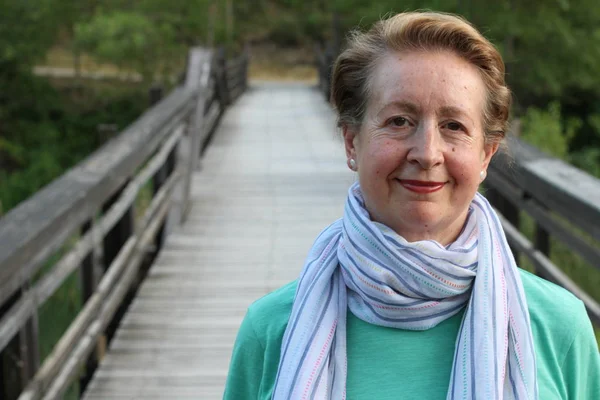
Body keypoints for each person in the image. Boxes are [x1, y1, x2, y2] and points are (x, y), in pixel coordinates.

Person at [223, 11, 600, 400]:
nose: (427, 153)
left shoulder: (559, 329)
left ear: (486, 155)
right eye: (400, 121)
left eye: (454, 126)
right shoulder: (271, 329)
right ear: (352, 142)